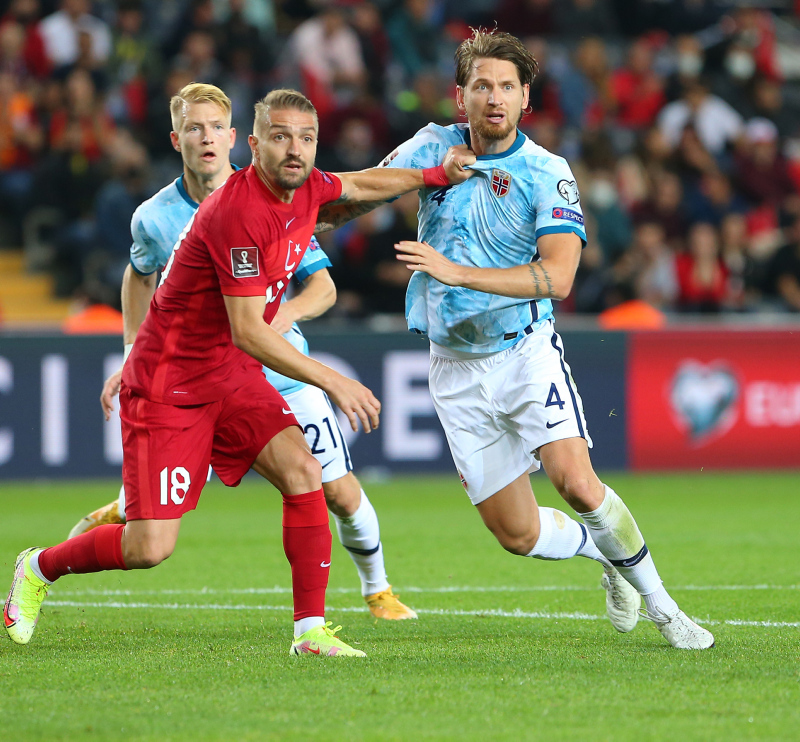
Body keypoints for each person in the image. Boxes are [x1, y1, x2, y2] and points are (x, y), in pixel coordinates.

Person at [4, 87, 474, 655]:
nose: (294, 150)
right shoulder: (238, 211)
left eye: (305, 139)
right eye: (280, 137)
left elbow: (359, 183)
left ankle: (310, 632)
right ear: (252, 145)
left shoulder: (302, 187)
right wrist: (334, 378)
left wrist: (431, 176)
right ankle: (39, 569)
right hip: (169, 384)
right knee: (149, 547)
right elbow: (250, 329)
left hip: (228, 374)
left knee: (304, 473)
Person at [318, 29, 714, 649]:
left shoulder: (546, 172)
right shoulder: (433, 148)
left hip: (524, 351)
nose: (494, 97)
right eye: (482, 86)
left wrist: (455, 272)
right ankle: (606, 557)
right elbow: (355, 195)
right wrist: (302, 208)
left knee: (577, 483)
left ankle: (667, 610)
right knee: (517, 535)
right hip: (452, 366)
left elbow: (557, 278)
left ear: (526, 97)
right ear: (461, 97)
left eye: (506, 86)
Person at [69, 83, 416, 621]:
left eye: (215, 128)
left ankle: (376, 592)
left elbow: (322, 285)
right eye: (193, 128)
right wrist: (133, 350)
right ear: (176, 138)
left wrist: (286, 315)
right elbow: (138, 278)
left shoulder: (277, 190)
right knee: (152, 539)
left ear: (237, 139)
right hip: (194, 378)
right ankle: (112, 524)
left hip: (279, 373)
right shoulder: (154, 217)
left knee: (337, 491)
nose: (206, 138)